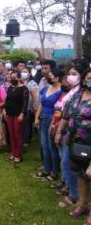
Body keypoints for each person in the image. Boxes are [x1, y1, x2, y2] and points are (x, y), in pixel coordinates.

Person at [55, 68, 91, 223]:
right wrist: (59, 132)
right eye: (88, 77)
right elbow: (66, 115)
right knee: (80, 175)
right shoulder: (77, 95)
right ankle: (83, 205)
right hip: (74, 142)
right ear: (83, 79)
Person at [52, 65, 82, 208]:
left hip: (81, 135)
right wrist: (59, 130)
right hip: (68, 133)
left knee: (73, 165)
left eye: (74, 73)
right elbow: (65, 114)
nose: (70, 76)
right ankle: (73, 192)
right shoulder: (72, 93)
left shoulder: (81, 93)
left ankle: (76, 195)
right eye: (69, 73)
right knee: (66, 162)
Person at [35, 68, 63, 180]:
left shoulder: (61, 91)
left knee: (52, 148)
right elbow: (41, 104)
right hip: (43, 119)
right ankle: (46, 169)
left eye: (51, 75)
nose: (49, 77)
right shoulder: (46, 88)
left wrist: (55, 123)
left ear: (57, 78)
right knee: (44, 146)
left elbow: (59, 110)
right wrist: (37, 117)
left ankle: (54, 172)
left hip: (53, 120)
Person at [5, 71, 29, 163]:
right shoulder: (10, 88)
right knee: (11, 134)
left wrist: (22, 113)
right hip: (10, 113)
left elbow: (25, 103)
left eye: (14, 77)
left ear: (19, 78)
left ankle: (18, 154)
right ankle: (13, 153)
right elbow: (7, 100)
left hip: (18, 114)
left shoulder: (24, 89)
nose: (12, 79)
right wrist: (5, 110)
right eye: (11, 77)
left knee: (18, 134)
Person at [21, 67, 39, 146]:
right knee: (23, 124)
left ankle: (27, 140)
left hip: (28, 106)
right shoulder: (20, 82)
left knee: (27, 124)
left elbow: (35, 96)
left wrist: (34, 106)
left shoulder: (32, 83)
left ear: (29, 74)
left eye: (25, 71)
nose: (23, 73)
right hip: (20, 106)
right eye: (22, 72)